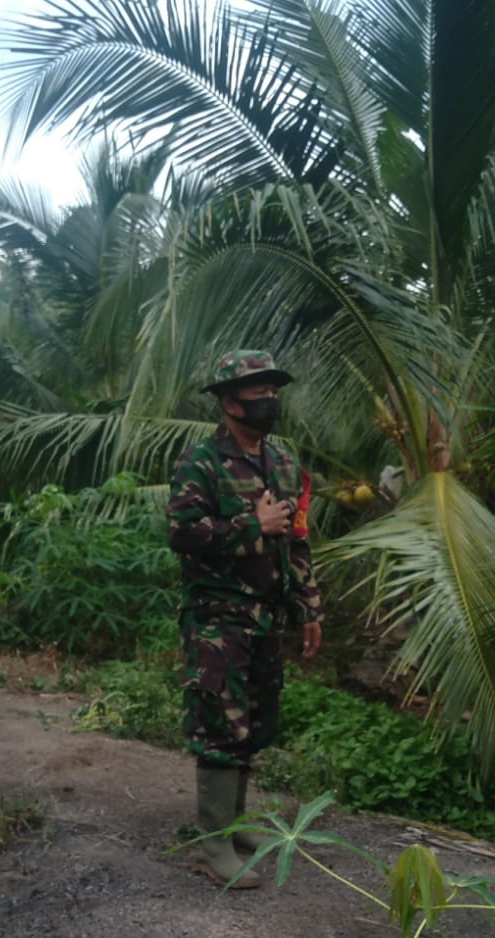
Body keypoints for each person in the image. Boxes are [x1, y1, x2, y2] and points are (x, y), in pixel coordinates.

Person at [166, 349, 323, 889]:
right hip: (219, 615)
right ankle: (212, 846)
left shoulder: (283, 464)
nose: (268, 401)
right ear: (229, 402)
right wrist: (250, 527)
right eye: (258, 393)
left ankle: (232, 826)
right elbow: (181, 533)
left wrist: (308, 607)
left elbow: (297, 538)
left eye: (272, 391)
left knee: (253, 720)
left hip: (266, 616)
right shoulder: (202, 460)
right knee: (220, 721)